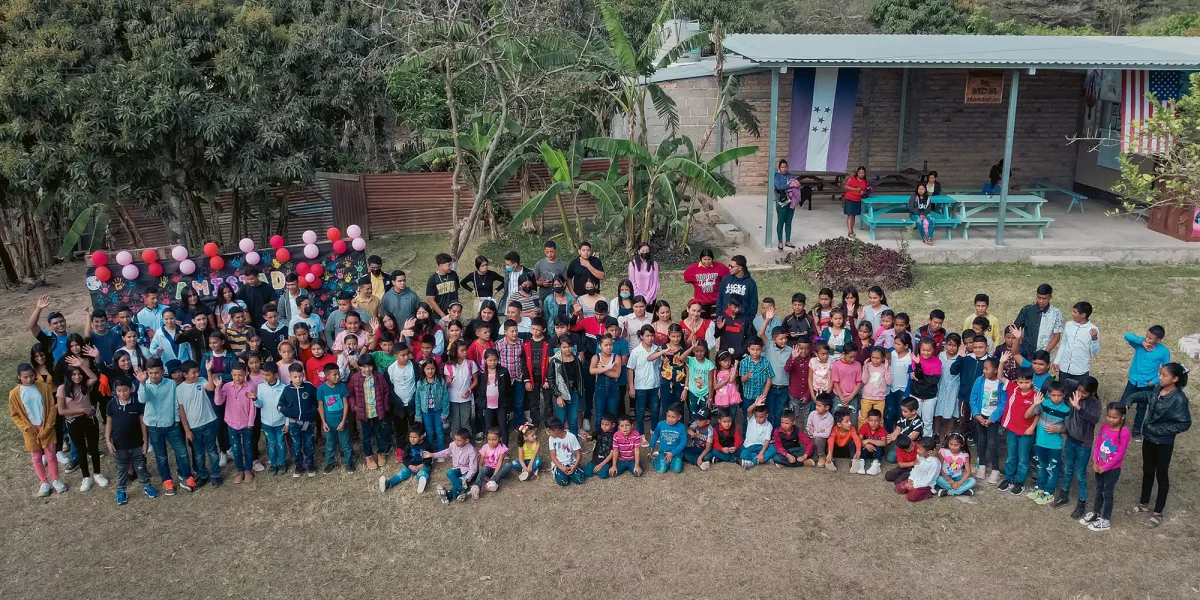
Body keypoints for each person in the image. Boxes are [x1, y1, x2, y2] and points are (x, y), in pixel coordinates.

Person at [1126, 363, 1192, 528]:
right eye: (1160, 374)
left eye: (1164, 375)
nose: (1160, 377)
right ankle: (1143, 503)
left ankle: (1158, 511)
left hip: (1163, 443)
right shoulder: (1157, 389)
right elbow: (1146, 396)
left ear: (1175, 379)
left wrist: (1159, 429)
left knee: (1161, 475)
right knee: (1147, 470)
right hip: (1148, 439)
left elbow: (1184, 423)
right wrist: (1131, 399)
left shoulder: (1179, 399)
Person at [136, 358, 193, 495]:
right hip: (154, 427)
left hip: (171, 424)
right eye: (151, 373)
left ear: (162, 372)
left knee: (183, 453)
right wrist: (142, 383)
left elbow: (175, 402)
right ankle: (167, 481)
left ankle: (187, 477)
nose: (154, 376)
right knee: (161, 456)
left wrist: (176, 419)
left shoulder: (171, 384)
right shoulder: (145, 384)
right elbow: (142, 400)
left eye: (156, 372)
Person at [11, 363, 67, 497]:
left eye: (31, 376)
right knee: (36, 457)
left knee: (51, 455)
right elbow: (15, 415)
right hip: (30, 430)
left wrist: (47, 426)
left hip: (45, 426)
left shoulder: (43, 388)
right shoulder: (14, 394)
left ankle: (55, 480)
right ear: (19, 377)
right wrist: (26, 428)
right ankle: (44, 482)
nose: (29, 379)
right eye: (25, 377)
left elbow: (52, 408)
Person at [55, 359, 107, 492]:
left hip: (89, 420)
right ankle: (86, 477)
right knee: (81, 450)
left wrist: (81, 366)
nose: (77, 377)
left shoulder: (85, 385)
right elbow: (61, 411)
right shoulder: (62, 389)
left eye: (79, 374)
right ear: (68, 375)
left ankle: (97, 474)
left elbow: (94, 377)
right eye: (74, 374)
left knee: (93, 448)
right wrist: (81, 410)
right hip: (74, 422)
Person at [1055, 377, 1102, 517]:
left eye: (1084, 393)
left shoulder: (1095, 403)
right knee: (1068, 469)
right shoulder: (1074, 393)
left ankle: (1082, 502)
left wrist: (1079, 408)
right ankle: (1064, 494)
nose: (1080, 394)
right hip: (1070, 439)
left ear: (1093, 392)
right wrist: (1078, 385)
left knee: (1080, 474)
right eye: (1079, 391)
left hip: (1083, 444)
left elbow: (1094, 419)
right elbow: (1068, 381)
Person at [1079, 403, 1131, 532]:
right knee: (1098, 489)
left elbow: (1120, 453)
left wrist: (1106, 467)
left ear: (1122, 417)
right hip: (1099, 467)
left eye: (1114, 417)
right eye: (1108, 416)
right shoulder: (1104, 427)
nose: (1110, 419)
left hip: (1112, 470)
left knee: (1107, 493)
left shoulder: (1123, 432)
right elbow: (1098, 445)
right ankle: (1096, 512)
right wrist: (1095, 462)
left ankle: (1106, 519)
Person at [106, 378, 157, 504]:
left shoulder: (137, 403)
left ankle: (147, 486)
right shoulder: (111, 404)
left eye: (125, 390)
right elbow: (109, 424)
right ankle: (121, 491)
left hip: (137, 443)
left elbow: (142, 423)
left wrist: (145, 441)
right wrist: (108, 441)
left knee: (141, 467)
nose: (122, 394)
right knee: (122, 469)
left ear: (131, 389)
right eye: (119, 391)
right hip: (119, 445)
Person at [1121, 325, 1171, 441]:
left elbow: (1166, 369)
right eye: (1146, 336)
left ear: (1159, 340)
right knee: (1124, 403)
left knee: (1142, 407)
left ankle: (1137, 430)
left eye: (1150, 338)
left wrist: (1154, 381)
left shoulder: (1163, 351)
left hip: (1147, 384)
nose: (1147, 339)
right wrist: (1141, 341)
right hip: (1133, 381)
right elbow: (1127, 336)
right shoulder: (1140, 344)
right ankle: (1119, 424)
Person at [1027, 380, 1071, 504]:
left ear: (1063, 395)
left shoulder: (1066, 410)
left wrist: (1058, 430)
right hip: (1040, 443)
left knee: (1052, 469)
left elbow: (1068, 429)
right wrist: (1035, 404)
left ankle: (1049, 492)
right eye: (1053, 395)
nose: (1056, 398)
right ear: (1048, 394)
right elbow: (1028, 415)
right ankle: (1040, 488)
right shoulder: (1044, 404)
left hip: (1054, 446)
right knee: (1041, 466)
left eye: (1059, 395)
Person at [214, 360, 257, 484]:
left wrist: (250, 423)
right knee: (236, 449)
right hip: (232, 423)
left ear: (246, 373)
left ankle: (248, 470)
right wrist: (218, 387)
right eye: (234, 375)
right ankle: (240, 471)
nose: (237, 378)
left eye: (240, 375)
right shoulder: (227, 387)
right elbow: (218, 402)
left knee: (248, 448)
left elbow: (253, 407)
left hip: (246, 423)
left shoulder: (250, 387)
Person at [998, 368, 1039, 496]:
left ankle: (1019, 482)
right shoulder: (1013, 388)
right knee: (1011, 457)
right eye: (1021, 382)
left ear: (1032, 381)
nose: (1024, 385)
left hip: (1026, 433)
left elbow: (1038, 414)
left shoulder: (1036, 395)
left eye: (1027, 382)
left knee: (1023, 459)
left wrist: (1032, 427)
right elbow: (1000, 376)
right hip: (1012, 430)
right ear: (1017, 381)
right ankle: (1009, 479)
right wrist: (1001, 362)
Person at [349, 354, 392, 470]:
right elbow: (351, 395)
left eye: (369, 366)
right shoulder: (355, 378)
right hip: (364, 413)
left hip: (377, 412)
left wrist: (385, 406)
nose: (367, 369)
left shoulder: (379, 377)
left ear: (373, 366)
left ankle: (381, 453)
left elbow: (386, 392)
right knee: (366, 436)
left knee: (379, 434)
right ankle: (369, 456)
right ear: (360, 367)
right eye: (364, 367)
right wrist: (355, 407)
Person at [970, 357, 1007, 484]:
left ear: (996, 370)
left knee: (992, 443)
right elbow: (973, 398)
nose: (984, 371)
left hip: (993, 420)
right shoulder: (979, 381)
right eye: (984, 368)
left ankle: (996, 469)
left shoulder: (1002, 384)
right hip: (981, 416)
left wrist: (992, 419)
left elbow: (1003, 404)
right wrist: (976, 414)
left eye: (987, 368)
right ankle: (982, 465)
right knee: (981, 440)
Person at [278, 363, 319, 478]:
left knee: (309, 444)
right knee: (296, 445)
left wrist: (310, 414)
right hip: (293, 424)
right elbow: (280, 405)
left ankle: (310, 464)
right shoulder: (287, 390)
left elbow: (316, 404)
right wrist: (291, 413)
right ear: (290, 377)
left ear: (303, 375)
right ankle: (299, 465)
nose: (298, 379)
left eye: (300, 376)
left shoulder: (309, 387)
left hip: (308, 423)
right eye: (295, 377)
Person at [253, 362, 287, 478]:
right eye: (264, 375)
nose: (265, 377)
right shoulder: (261, 387)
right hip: (267, 423)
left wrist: (287, 423)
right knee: (271, 444)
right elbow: (259, 405)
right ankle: (273, 464)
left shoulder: (283, 388)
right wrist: (255, 399)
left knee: (281, 443)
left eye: (268, 375)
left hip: (280, 422)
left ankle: (282, 463)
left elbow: (286, 407)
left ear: (275, 375)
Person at [317, 363, 352, 474]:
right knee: (330, 444)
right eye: (334, 375)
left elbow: (346, 404)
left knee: (345, 443)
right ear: (327, 376)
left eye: (338, 374)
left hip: (342, 422)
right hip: (329, 422)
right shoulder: (321, 389)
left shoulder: (342, 387)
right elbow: (321, 406)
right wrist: (323, 422)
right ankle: (330, 463)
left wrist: (343, 421)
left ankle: (349, 463)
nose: (338, 377)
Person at [428, 428, 480, 503]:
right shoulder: (452, 445)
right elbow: (445, 453)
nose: (456, 442)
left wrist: (466, 478)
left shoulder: (471, 450)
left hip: (467, 471)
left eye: (459, 440)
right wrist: (432, 455)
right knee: (450, 472)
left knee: (462, 481)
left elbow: (473, 469)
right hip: (458, 469)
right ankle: (462, 490)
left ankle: (449, 495)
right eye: (455, 439)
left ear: (466, 441)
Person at [626, 327, 661, 438]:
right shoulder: (636, 351)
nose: (650, 338)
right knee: (640, 411)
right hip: (640, 386)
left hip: (655, 385)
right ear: (641, 336)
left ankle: (654, 431)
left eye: (652, 336)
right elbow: (630, 369)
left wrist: (660, 385)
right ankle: (641, 434)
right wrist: (631, 386)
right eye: (647, 336)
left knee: (655, 410)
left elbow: (661, 369)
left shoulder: (657, 350)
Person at [379, 422, 433, 494]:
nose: (412, 439)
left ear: (421, 436)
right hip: (411, 465)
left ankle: (421, 483)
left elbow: (429, 459)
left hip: (423, 465)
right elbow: (405, 458)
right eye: (410, 437)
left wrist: (420, 466)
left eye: (415, 437)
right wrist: (410, 466)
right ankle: (388, 483)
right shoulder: (408, 445)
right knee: (401, 474)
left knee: (422, 473)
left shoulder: (427, 445)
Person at [1014, 284, 1064, 358]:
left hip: (1043, 355)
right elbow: (1017, 329)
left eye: (1044, 298)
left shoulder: (1056, 313)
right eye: (1039, 297)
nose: (1041, 301)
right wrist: (1021, 347)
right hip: (1025, 353)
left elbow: (1056, 337)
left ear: (1050, 297)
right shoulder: (1027, 310)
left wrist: (1044, 353)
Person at [1054, 301, 1100, 381]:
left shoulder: (1093, 330)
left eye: (1075, 312)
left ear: (1083, 315)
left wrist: (1094, 339)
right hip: (1065, 368)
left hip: (1080, 371)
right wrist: (1057, 361)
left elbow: (1094, 352)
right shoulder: (1069, 325)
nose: (1072, 314)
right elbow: (1063, 344)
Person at [549, 336, 584, 437]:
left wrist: (580, 390)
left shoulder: (576, 357)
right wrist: (558, 396)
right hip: (561, 394)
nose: (567, 349)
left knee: (573, 420)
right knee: (561, 420)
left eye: (569, 346)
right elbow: (551, 379)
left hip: (574, 392)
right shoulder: (556, 360)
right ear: (560, 347)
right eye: (564, 347)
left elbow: (580, 376)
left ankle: (574, 444)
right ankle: (560, 444)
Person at [683, 249, 729, 319]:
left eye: (709, 259)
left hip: (716, 301)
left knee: (715, 321)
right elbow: (686, 276)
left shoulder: (720, 267)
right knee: (702, 320)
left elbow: (729, 276)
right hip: (700, 302)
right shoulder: (693, 268)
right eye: (704, 259)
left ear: (712, 259)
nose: (707, 262)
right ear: (701, 259)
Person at [476, 349, 512, 438]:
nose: (493, 362)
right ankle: (489, 448)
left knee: (503, 426)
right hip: (488, 404)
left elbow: (508, 388)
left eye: (495, 360)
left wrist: (507, 403)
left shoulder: (503, 371)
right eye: (490, 360)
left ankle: (504, 448)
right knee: (488, 426)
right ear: (485, 360)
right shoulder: (483, 373)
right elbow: (481, 388)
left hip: (501, 404)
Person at [738, 338, 774, 426]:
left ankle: (760, 438)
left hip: (760, 397)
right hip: (748, 397)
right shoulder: (744, 362)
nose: (755, 352)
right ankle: (746, 438)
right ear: (748, 349)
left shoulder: (765, 362)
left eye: (758, 349)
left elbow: (769, 378)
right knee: (747, 419)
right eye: (753, 349)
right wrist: (746, 376)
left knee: (761, 419)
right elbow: (742, 380)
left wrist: (764, 395)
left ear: (761, 349)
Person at [933, 334, 962, 440]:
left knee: (952, 410)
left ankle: (948, 433)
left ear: (959, 346)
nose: (951, 348)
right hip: (941, 385)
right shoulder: (941, 355)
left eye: (954, 345)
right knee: (937, 410)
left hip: (954, 387)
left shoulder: (960, 357)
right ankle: (936, 432)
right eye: (949, 344)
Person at [895, 437, 939, 502]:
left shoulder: (934, 463)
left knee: (911, 497)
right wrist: (910, 479)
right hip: (915, 480)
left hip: (926, 485)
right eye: (917, 448)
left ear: (929, 451)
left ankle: (928, 493)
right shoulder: (919, 456)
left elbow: (929, 479)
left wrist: (914, 485)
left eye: (920, 449)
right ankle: (913, 489)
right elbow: (915, 469)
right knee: (899, 489)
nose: (917, 450)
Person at [546, 416, 585, 486]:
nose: (548, 433)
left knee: (580, 480)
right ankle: (563, 474)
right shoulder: (551, 439)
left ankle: (572, 472)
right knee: (563, 482)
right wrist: (561, 467)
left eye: (549, 431)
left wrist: (575, 465)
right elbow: (553, 456)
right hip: (559, 464)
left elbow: (578, 454)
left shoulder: (571, 437)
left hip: (571, 463)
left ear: (556, 430)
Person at [830, 342, 862, 425]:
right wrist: (842, 398)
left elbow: (859, 383)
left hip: (853, 397)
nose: (852, 359)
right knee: (837, 421)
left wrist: (850, 397)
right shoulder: (836, 365)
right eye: (850, 357)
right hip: (839, 397)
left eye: (854, 357)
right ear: (844, 354)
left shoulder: (858, 365)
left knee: (852, 421)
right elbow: (835, 383)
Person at [935, 432, 976, 497]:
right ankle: (963, 491)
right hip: (945, 476)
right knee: (937, 479)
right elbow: (939, 467)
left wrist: (960, 483)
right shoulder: (943, 451)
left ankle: (949, 492)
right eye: (951, 444)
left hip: (958, 478)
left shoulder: (965, 455)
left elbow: (968, 472)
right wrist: (948, 478)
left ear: (961, 445)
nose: (953, 447)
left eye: (956, 445)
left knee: (973, 481)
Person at [473, 427, 512, 492]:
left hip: (498, 470)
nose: (491, 442)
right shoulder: (485, 447)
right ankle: (477, 486)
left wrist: (494, 476)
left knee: (508, 465)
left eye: (494, 439)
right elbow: (481, 463)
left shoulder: (502, 448)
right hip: (488, 469)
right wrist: (483, 474)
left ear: (500, 438)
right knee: (484, 468)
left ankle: (492, 481)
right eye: (489, 439)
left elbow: (500, 463)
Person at [773, 159, 801, 248]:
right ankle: (780, 241)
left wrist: (797, 184)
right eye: (782, 167)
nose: (784, 169)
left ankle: (788, 241)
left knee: (788, 222)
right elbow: (779, 186)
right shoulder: (776, 176)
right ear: (779, 168)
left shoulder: (791, 176)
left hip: (791, 201)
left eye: (785, 167)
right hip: (781, 201)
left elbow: (797, 184)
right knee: (781, 221)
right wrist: (790, 185)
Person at [739, 403, 776, 469]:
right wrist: (755, 404)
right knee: (743, 454)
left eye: (761, 417)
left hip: (761, 447)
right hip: (749, 446)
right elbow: (748, 410)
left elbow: (767, 441)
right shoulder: (752, 419)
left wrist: (761, 453)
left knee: (774, 449)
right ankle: (764, 459)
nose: (758, 419)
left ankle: (753, 462)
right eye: (756, 417)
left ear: (766, 415)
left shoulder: (769, 425)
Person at [425, 253, 460, 318]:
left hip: (454, 314)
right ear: (440, 265)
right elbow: (430, 299)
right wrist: (442, 315)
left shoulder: (453, 275)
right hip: (439, 316)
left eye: (451, 265)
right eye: (448, 265)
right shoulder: (433, 279)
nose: (450, 267)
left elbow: (456, 289)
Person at [582, 414, 617, 479]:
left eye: (606, 425)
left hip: (607, 460)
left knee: (602, 475)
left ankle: (603, 467)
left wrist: (600, 465)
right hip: (596, 459)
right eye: (602, 424)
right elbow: (589, 439)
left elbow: (612, 454)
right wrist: (586, 437)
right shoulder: (599, 431)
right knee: (586, 473)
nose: (604, 426)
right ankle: (595, 466)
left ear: (613, 425)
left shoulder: (615, 435)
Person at [806, 394, 834, 467]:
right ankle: (813, 457)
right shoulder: (812, 414)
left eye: (819, 406)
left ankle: (822, 456)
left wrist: (815, 433)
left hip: (823, 441)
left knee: (819, 439)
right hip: (811, 438)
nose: (816, 407)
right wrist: (817, 432)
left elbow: (827, 434)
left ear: (827, 407)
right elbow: (808, 427)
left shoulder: (830, 418)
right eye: (816, 405)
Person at [843, 165, 869, 239]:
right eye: (860, 173)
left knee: (853, 215)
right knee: (850, 215)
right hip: (849, 199)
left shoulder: (865, 181)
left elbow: (865, 190)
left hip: (857, 200)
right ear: (857, 173)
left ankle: (852, 230)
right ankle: (850, 232)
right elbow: (846, 187)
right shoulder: (852, 178)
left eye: (863, 173)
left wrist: (863, 192)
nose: (861, 174)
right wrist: (855, 189)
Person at [859, 409, 886, 475]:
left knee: (879, 447)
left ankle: (876, 464)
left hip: (876, 451)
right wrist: (866, 445)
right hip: (866, 449)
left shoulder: (882, 430)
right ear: (867, 420)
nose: (873, 423)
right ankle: (861, 462)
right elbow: (859, 440)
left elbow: (883, 443)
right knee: (861, 446)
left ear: (880, 421)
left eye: (876, 421)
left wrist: (869, 441)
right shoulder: (864, 427)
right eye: (871, 420)